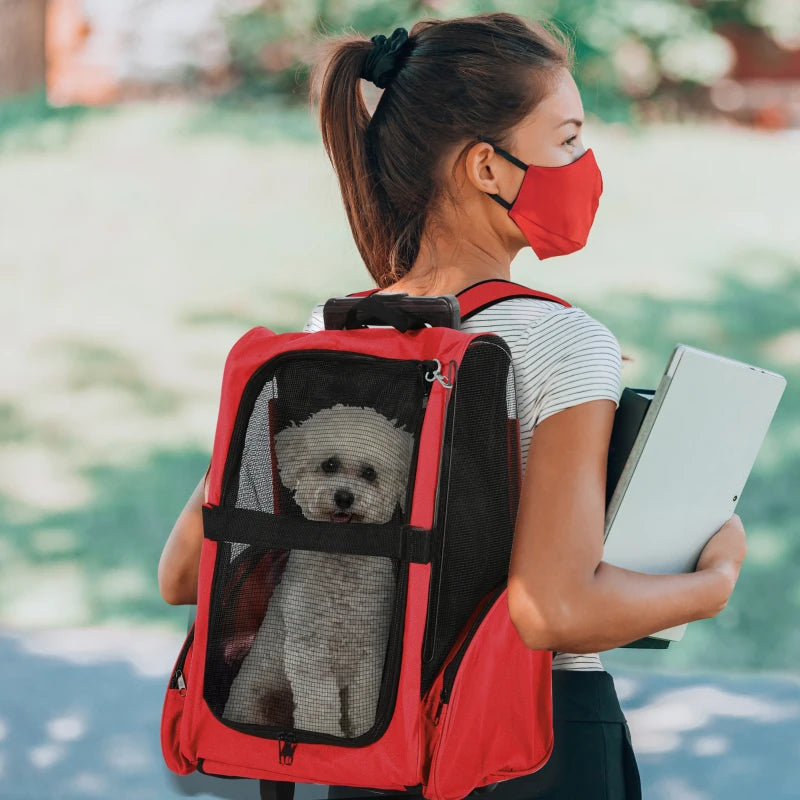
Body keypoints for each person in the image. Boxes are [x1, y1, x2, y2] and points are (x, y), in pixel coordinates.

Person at [158, 11, 748, 800]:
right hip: (527, 742)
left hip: (370, 740)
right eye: (568, 138)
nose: (586, 162)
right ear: (486, 167)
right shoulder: (562, 341)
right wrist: (713, 580)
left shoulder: (323, 335)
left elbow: (184, 572)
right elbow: (553, 610)